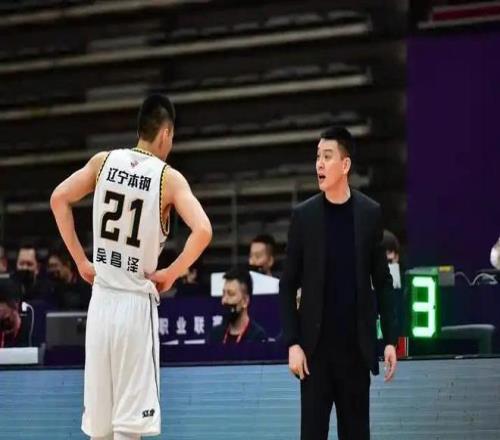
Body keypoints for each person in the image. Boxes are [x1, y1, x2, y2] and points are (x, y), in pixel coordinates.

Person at [50, 94, 212, 440]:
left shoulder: (103, 162)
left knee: (100, 428)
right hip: (135, 305)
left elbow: (58, 199)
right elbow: (203, 230)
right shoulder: (168, 178)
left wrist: (80, 260)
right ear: (165, 134)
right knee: (129, 427)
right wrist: (171, 273)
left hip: (101, 303)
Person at [279, 126, 397, 440]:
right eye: (318, 156)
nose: (319, 163)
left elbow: (383, 282)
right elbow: (287, 284)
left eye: (327, 156)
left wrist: (390, 339)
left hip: (355, 352)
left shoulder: (369, 213)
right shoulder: (304, 216)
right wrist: (292, 343)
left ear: (345, 165)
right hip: (314, 354)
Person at [210, 267, 267, 344]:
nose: (224, 300)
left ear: (245, 301)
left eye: (231, 294)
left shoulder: (257, 337)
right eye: (223, 294)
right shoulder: (215, 335)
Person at [47, 246, 91, 310]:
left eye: (55, 265)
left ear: (67, 264)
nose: (52, 270)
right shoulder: (54, 286)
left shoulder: (84, 283)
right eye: (50, 266)